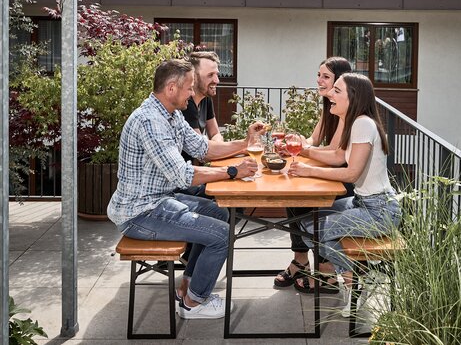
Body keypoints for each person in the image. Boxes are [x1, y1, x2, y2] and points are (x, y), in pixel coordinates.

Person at [107, 58, 263, 320]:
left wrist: (245, 143)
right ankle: (194, 304)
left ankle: (188, 286)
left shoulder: (171, 114)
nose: (193, 94)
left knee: (219, 212)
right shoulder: (150, 122)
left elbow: (203, 148)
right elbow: (183, 174)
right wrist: (232, 172)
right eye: (189, 88)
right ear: (171, 88)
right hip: (140, 213)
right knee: (222, 235)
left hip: (159, 200)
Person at [288, 73, 401, 315]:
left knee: (313, 229)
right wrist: (306, 151)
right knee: (305, 225)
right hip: (363, 202)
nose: (329, 94)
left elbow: (350, 174)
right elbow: (339, 157)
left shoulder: (362, 124)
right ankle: (355, 278)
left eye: (336, 90)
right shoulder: (356, 122)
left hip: (379, 211)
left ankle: (352, 283)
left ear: (354, 97)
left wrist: (307, 171)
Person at [273, 56, 352, 289]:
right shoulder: (329, 105)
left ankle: (326, 272)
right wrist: (297, 143)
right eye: (318, 75)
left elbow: (335, 153)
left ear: (341, 81)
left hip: (343, 180)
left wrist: (304, 151)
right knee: (292, 190)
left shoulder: (346, 109)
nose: (319, 80)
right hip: (328, 169)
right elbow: (315, 140)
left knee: (304, 199)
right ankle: (301, 261)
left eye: (326, 76)